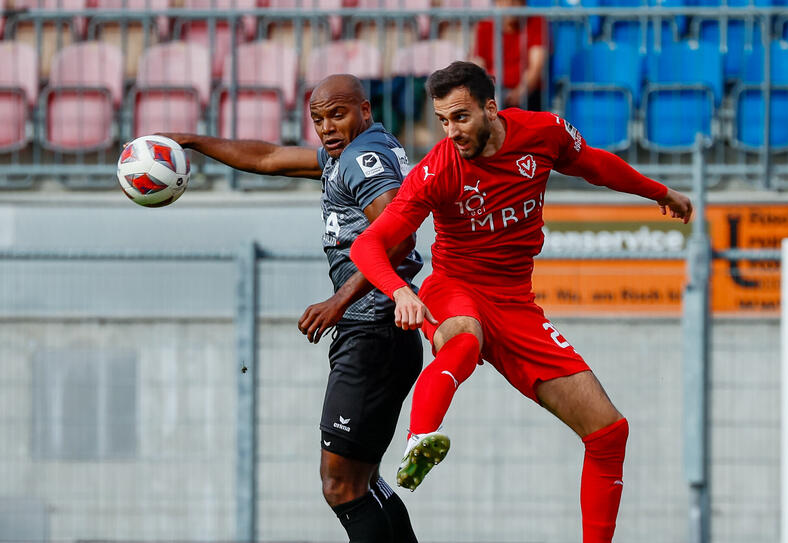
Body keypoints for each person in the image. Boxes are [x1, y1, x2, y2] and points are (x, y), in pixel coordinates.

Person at [349, 61, 693, 542]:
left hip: (515, 305)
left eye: (461, 117)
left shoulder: (543, 132)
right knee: (464, 341)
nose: (452, 131)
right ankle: (419, 440)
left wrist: (659, 192)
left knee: (608, 432)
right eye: (443, 120)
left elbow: (594, 164)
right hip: (454, 288)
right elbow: (366, 245)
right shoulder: (437, 169)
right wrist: (401, 290)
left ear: (491, 108)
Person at [159, 74, 424, 543]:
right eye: (317, 119)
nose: (326, 127)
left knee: (342, 487)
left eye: (337, 114)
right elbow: (268, 157)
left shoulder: (364, 159)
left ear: (365, 110)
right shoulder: (350, 153)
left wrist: (338, 302)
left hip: (374, 328)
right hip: (377, 331)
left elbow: (399, 239)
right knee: (360, 482)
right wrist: (192, 140)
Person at [470, 0, 547, 110]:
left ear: (523, 4)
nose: (510, 6)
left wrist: (520, 92)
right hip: (492, 91)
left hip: (528, 93)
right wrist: (489, 92)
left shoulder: (536, 22)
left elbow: (536, 67)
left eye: (515, 2)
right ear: (496, 4)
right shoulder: (485, 27)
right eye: (504, 2)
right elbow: (478, 64)